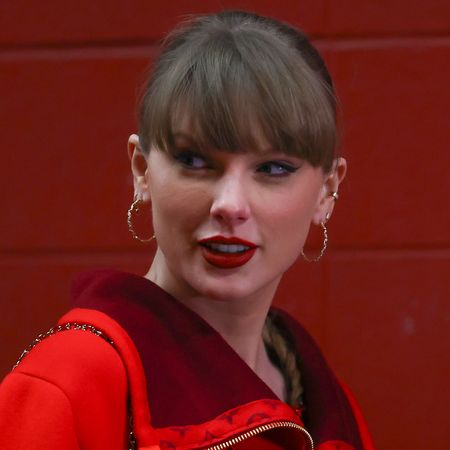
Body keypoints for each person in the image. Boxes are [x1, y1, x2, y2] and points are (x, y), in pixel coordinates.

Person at [0, 10, 375, 450]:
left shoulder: (327, 401)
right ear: (142, 170)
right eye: (195, 162)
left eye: (273, 168)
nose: (229, 205)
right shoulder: (67, 386)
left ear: (326, 192)